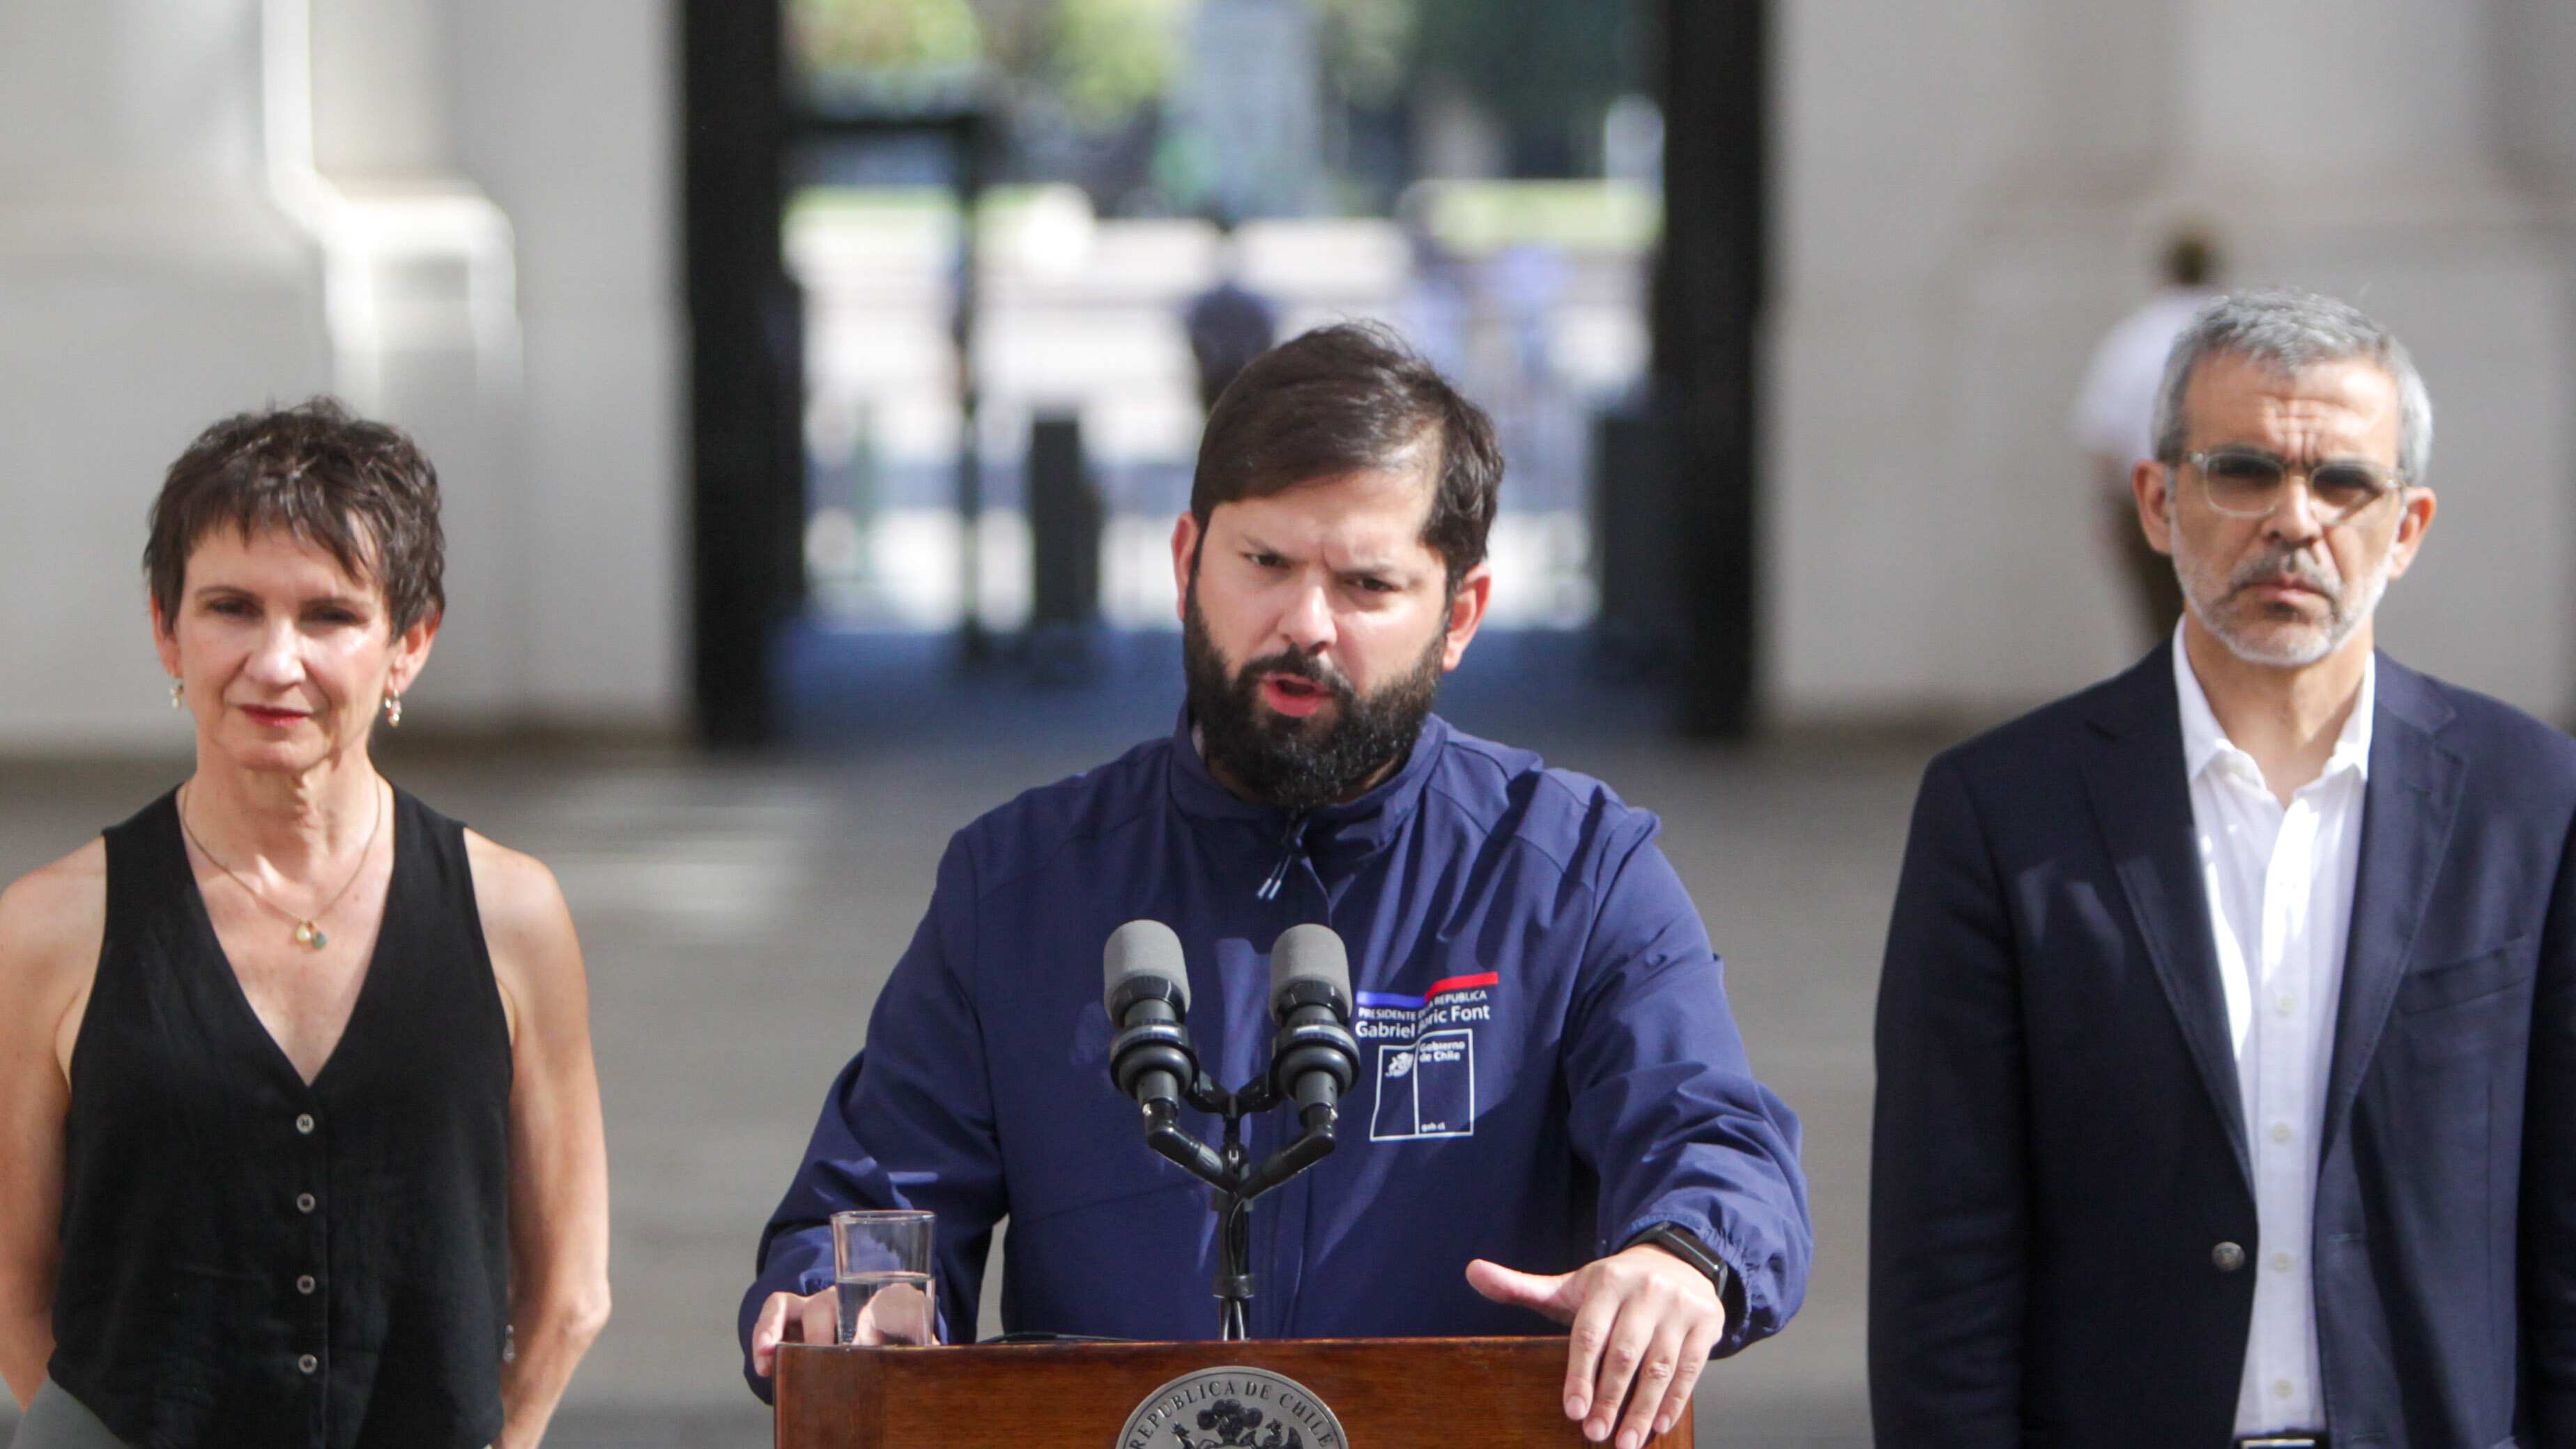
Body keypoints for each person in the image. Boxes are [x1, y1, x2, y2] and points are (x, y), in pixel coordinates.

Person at [739, 323, 1810, 1449]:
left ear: (1461, 614)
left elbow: (1718, 1143)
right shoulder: (1016, 883)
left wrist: (1681, 1253)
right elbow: (874, 1195)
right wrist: (849, 1295)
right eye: (1264, 563)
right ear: (1184, 559)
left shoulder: (1575, 873)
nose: (1305, 623)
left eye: (1366, 583)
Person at [1871, 289, 2576, 1445]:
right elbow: (1944, 1257)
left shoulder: (2532, 803)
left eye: (2343, 481)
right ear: (2157, 500)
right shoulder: (2001, 812)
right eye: (2241, 472)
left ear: (2407, 526)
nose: (2292, 519)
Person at [0, 401, 612, 1448]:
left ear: (409, 644)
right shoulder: (49, 926)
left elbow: (570, 1289)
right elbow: (12, 1283)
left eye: (330, 615)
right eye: (231, 607)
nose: (276, 662)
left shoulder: (513, 913)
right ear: (166, 630)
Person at [2071, 229, 2223, 643]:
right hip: (2220, 499)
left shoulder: (2133, 340)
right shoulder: (2230, 340)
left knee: (2159, 627)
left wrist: (2107, 509)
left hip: (2147, 500)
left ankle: (2166, 704)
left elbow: (2105, 434)